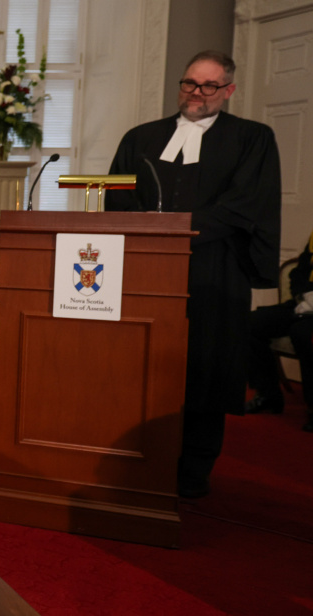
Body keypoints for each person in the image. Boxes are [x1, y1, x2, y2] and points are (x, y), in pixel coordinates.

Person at [106, 50, 281, 498]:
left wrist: (178, 232)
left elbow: (244, 205)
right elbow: (117, 197)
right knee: (145, 365)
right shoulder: (141, 137)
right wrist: (150, 237)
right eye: (189, 84)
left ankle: (195, 468)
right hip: (145, 270)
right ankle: (138, 455)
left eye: (208, 86)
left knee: (205, 367)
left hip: (214, 270)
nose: (196, 94)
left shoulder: (252, 138)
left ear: (229, 90)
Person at [244, 227, 313, 432]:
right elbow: (298, 273)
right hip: (305, 303)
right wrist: (304, 296)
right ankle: (267, 395)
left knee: (302, 333)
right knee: (250, 324)